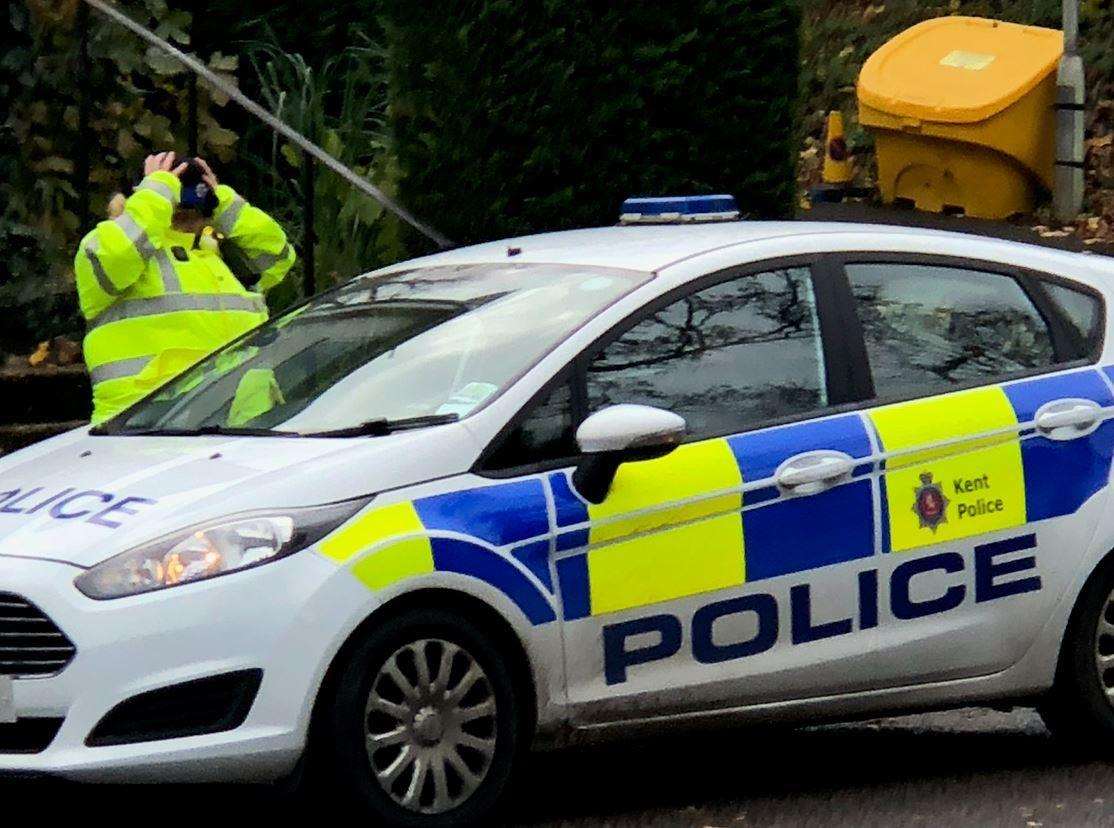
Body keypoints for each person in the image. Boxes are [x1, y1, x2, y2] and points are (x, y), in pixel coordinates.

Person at [74, 151, 296, 423]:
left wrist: (224, 203)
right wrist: (158, 191)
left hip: (245, 432)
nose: (184, 202)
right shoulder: (103, 246)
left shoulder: (219, 253)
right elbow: (118, 255)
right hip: (148, 430)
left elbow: (278, 255)